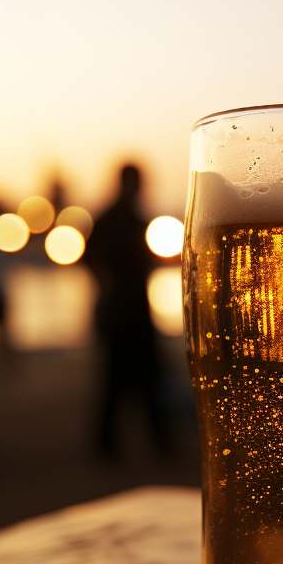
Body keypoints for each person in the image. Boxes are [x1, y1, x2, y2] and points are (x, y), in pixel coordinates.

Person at [85, 163, 171, 458]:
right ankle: (138, 443)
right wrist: (109, 284)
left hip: (126, 306)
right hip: (124, 308)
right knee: (133, 378)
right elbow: (91, 258)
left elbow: (89, 257)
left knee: (126, 378)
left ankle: (112, 444)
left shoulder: (119, 218)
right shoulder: (120, 219)